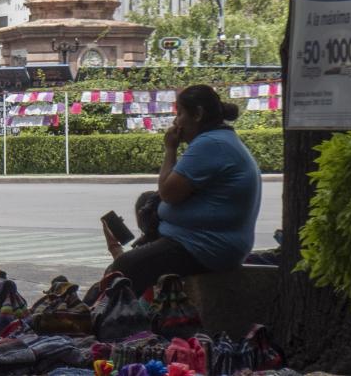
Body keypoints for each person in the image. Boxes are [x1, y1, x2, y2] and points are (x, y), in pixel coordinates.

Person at [103, 84, 262, 296]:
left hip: (206, 247)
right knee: (147, 201)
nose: (176, 121)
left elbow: (168, 192)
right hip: (199, 237)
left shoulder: (210, 144)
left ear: (197, 114)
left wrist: (170, 149)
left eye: (180, 113)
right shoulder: (218, 140)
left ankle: (113, 317)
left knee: (125, 267)